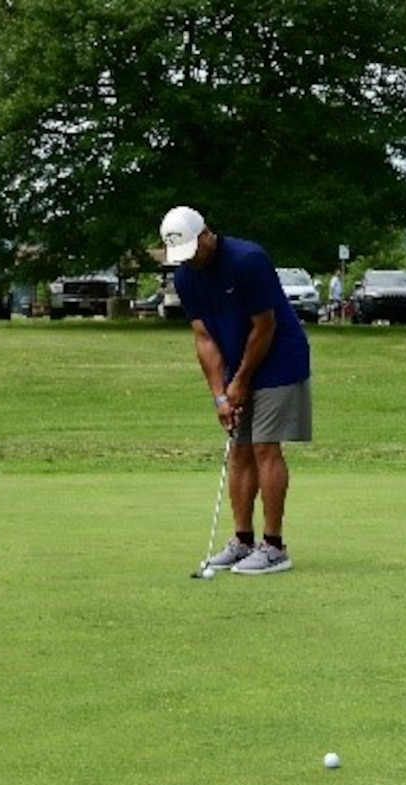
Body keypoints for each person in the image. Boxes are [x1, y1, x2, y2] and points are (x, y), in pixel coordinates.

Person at [161, 205, 312, 575]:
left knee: (264, 444)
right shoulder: (186, 278)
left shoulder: (248, 260)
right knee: (239, 448)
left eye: (193, 250)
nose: (190, 260)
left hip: (279, 357)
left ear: (207, 234)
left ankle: (274, 547)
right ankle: (242, 542)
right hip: (234, 361)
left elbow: (265, 326)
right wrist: (220, 395)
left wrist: (241, 380)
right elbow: (204, 338)